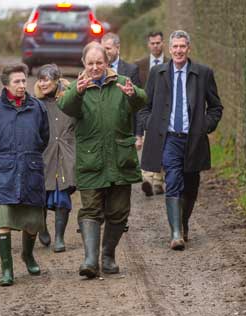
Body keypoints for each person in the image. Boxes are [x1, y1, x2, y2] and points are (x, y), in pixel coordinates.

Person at [58, 42, 147, 278]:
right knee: (90, 209)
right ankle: (90, 259)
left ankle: (108, 255)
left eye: (99, 63)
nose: (95, 67)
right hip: (91, 159)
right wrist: (77, 91)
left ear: (107, 63)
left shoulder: (121, 82)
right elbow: (65, 106)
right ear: (83, 65)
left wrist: (133, 94)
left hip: (120, 157)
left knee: (119, 211)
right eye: (90, 63)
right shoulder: (78, 87)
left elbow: (142, 100)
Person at [139, 30, 223, 250]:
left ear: (189, 48)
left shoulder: (203, 73)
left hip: (193, 139)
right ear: (169, 49)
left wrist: (205, 126)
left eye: (182, 46)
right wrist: (152, 123)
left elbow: (215, 107)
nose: (178, 50)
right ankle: (175, 233)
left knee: (191, 186)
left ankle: (183, 222)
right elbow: (144, 107)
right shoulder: (157, 73)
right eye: (174, 47)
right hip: (169, 139)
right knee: (173, 180)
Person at [0, 63, 49, 286]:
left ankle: (27, 255)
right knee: (4, 221)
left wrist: (29, 155)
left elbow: (43, 138)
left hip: (30, 169)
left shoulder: (37, 107)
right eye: (16, 81)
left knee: (33, 222)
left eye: (23, 81)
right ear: (6, 84)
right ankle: (7, 269)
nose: (21, 85)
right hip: (3, 173)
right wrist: (1, 156)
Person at [101, 32, 141, 233]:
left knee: (122, 177)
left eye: (108, 48)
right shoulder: (95, 70)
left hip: (123, 132)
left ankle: (119, 218)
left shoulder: (131, 70)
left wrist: (138, 134)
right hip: (102, 134)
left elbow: (137, 104)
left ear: (117, 48)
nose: (105, 52)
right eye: (103, 48)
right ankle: (105, 215)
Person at [34, 64, 76, 253]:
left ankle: (59, 237)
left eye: (46, 80)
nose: (42, 84)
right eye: (40, 80)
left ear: (57, 80)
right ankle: (41, 227)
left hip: (65, 153)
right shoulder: (36, 103)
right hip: (43, 153)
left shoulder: (70, 99)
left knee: (62, 196)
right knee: (40, 195)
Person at [135, 31, 169, 197]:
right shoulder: (139, 65)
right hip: (147, 111)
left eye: (158, 42)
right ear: (148, 44)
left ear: (163, 43)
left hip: (165, 112)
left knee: (163, 147)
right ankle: (148, 179)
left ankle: (158, 181)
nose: (156, 45)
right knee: (149, 146)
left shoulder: (171, 63)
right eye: (152, 43)